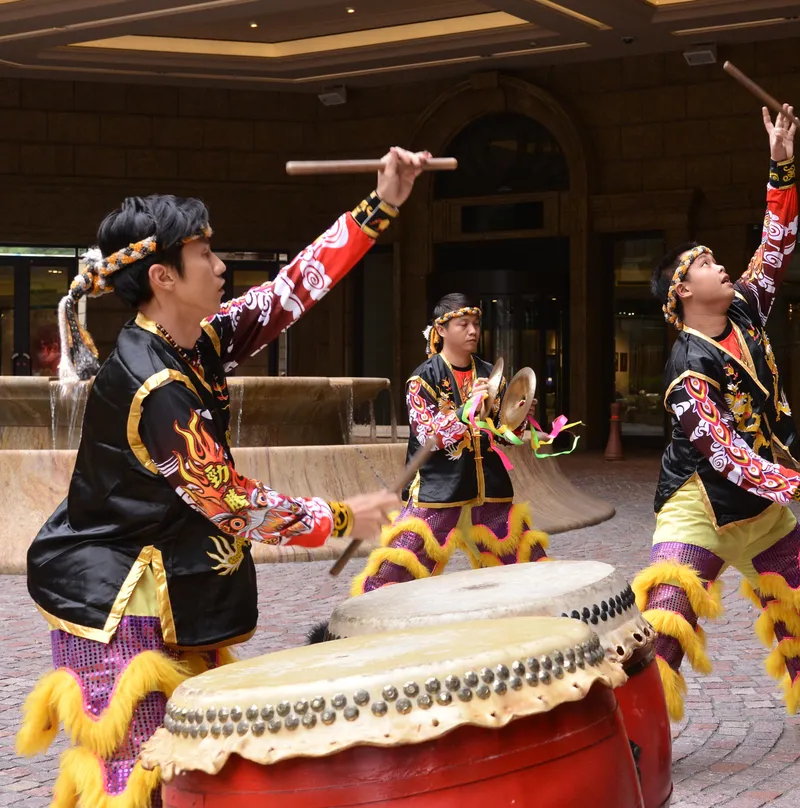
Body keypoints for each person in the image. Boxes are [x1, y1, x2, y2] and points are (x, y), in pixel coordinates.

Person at [16, 147, 429, 808]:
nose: (221, 265)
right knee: (141, 779)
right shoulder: (156, 387)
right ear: (164, 277)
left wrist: (383, 203)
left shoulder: (197, 339)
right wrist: (344, 517)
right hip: (115, 601)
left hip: (168, 584)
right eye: (205, 253)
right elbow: (231, 503)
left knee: (193, 772)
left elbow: (289, 291)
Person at [631, 104, 800, 730]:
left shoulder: (748, 309)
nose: (720, 264)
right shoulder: (685, 369)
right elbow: (724, 454)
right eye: (703, 262)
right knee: (669, 615)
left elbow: (778, 242)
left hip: (759, 508)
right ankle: (631, 732)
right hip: (699, 505)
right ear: (681, 289)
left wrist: (780, 162)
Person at [348, 294, 550, 595]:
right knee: (395, 570)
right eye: (463, 324)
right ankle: (363, 622)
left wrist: (519, 416)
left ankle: (542, 622)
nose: (473, 331)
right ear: (441, 330)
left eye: (476, 324)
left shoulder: (489, 374)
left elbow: (501, 432)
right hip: (438, 490)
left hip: (489, 489)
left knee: (525, 563)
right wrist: (465, 410)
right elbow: (428, 435)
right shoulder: (422, 380)